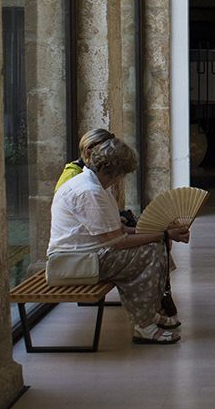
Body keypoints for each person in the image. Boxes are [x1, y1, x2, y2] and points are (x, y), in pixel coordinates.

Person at [46, 135, 189, 344]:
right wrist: (164, 234)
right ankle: (144, 325)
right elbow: (118, 241)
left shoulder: (93, 185)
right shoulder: (89, 191)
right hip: (75, 261)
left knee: (155, 246)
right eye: (122, 174)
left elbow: (118, 230)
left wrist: (162, 231)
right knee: (149, 252)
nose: (121, 179)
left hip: (86, 254)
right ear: (114, 171)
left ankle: (147, 314)